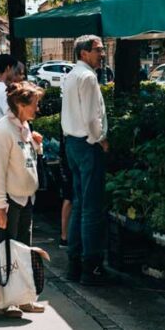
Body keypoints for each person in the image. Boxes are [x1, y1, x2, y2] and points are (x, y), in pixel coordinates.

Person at [0, 80, 48, 315]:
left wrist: (37, 146)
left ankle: (23, 297)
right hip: (10, 201)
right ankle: (1, 302)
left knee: (23, 251)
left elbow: (26, 162)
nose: (37, 109)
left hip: (25, 199)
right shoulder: (3, 131)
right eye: (34, 104)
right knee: (5, 251)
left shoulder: (23, 127)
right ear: (20, 104)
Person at [61, 34, 110, 286]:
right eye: (98, 50)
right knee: (91, 207)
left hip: (73, 143)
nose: (102, 54)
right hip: (87, 144)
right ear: (84, 53)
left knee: (80, 203)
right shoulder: (88, 77)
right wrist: (100, 138)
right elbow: (92, 118)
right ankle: (91, 267)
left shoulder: (72, 75)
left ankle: (75, 264)